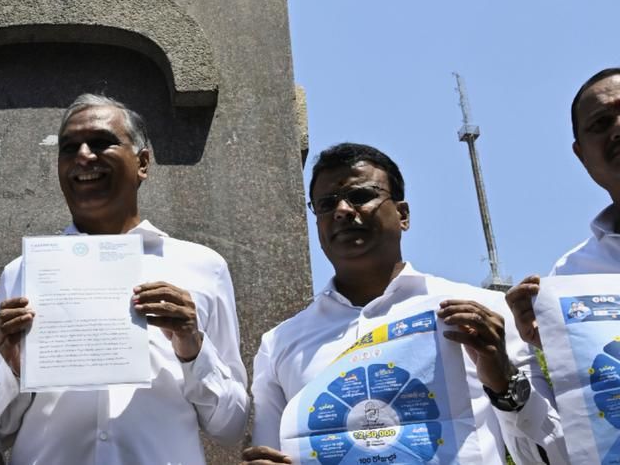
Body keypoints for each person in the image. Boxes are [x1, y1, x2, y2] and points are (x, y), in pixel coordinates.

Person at [242, 143, 567, 465]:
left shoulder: (484, 315)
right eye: (326, 204)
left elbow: (556, 457)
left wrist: (504, 382)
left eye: (360, 196)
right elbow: (270, 453)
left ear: (403, 214)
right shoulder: (281, 344)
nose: (341, 210)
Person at [0, 94, 247, 464]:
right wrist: (15, 369)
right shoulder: (23, 272)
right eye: (69, 147)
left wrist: (192, 347)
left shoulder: (202, 266)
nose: (84, 156)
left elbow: (231, 426)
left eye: (101, 142)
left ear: (142, 162)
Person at [507, 68, 620, 348]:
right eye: (601, 123)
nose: (617, 129)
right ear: (581, 155)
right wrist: (549, 349)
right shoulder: (572, 276)